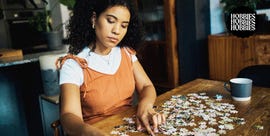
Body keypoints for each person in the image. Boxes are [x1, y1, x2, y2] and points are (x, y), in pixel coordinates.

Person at [58, 0, 166, 135]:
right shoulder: (73, 64)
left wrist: (146, 106)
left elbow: (146, 86)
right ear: (94, 18)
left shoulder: (126, 52)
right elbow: (68, 115)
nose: (117, 31)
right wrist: (94, 134)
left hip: (131, 128)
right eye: (110, 21)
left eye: (124, 25)